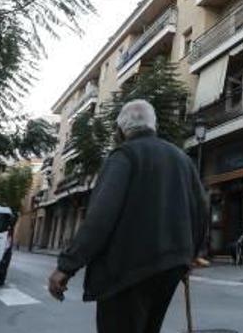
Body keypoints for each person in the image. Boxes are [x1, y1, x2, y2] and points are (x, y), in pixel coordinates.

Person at [47, 99, 208, 333]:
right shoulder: (182, 158)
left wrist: (67, 266)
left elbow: (100, 217)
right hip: (170, 267)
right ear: (154, 125)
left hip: (126, 270)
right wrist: (190, 255)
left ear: (121, 129)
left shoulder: (124, 155)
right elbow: (201, 210)